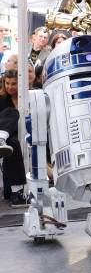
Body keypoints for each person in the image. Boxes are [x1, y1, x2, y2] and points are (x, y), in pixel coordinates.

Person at [0, 70, 27, 207]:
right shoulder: (2, 100)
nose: (10, 87)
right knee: (11, 113)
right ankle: (16, 190)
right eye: (7, 83)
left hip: (23, 134)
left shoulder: (29, 97)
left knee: (11, 144)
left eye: (14, 84)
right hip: (7, 133)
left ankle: (15, 191)